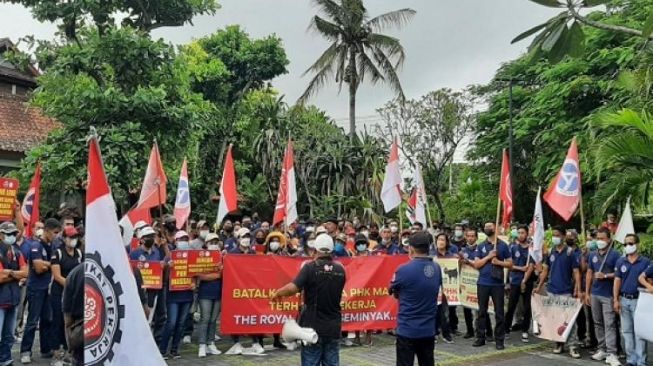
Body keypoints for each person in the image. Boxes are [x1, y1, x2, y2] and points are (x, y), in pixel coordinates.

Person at [271, 234, 346, 366]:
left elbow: (293, 288)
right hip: (333, 327)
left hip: (312, 329)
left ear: (315, 250)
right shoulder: (341, 270)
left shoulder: (310, 268)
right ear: (332, 250)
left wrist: (278, 293)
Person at [390, 231, 442, 366]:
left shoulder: (403, 270)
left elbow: (392, 290)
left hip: (407, 329)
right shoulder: (436, 268)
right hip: (428, 329)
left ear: (411, 248)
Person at [535, 226, 582, 358]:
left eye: (557, 235)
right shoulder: (550, 252)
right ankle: (558, 343)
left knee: (569, 320)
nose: (555, 238)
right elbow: (545, 270)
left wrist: (577, 288)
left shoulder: (570, 253)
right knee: (555, 319)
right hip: (552, 290)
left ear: (563, 236)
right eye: (553, 235)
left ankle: (573, 346)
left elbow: (576, 272)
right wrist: (539, 286)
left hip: (566, 291)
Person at [21, 218, 61, 364]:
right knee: (32, 320)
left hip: (47, 288)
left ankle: (45, 349)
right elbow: (38, 268)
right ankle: (25, 351)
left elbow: (56, 264)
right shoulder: (36, 246)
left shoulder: (53, 246)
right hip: (36, 288)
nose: (56, 235)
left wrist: (47, 265)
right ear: (47, 231)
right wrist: (51, 265)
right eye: (55, 232)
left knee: (47, 320)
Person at [611, 233, 650, 366]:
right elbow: (617, 281)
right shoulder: (621, 261)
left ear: (637, 245)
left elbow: (649, 279)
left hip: (639, 301)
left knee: (639, 332)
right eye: (625, 244)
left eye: (631, 243)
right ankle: (631, 360)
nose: (628, 246)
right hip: (624, 300)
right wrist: (615, 299)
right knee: (627, 331)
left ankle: (641, 362)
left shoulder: (645, 262)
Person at [472, 222, 511, 350]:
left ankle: (499, 340)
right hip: (483, 283)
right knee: (481, 312)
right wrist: (488, 257)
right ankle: (480, 337)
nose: (487, 228)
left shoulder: (503, 246)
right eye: (486, 226)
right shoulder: (481, 246)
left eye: (490, 226)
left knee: (499, 312)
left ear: (496, 228)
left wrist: (499, 262)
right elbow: (477, 264)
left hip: (497, 284)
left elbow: (510, 264)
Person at [585, 228, 621, 366]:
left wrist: (606, 275)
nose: (599, 241)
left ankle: (612, 353)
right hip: (595, 293)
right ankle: (602, 349)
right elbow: (589, 272)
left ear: (609, 239)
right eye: (598, 238)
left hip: (608, 295)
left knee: (610, 324)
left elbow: (618, 275)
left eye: (602, 238)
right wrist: (587, 292)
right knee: (598, 323)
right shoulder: (592, 254)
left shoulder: (615, 255)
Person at [49, 226, 83, 363]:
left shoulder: (79, 254)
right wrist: (72, 286)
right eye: (70, 237)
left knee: (73, 323)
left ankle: (70, 350)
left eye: (75, 237)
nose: (73, 240)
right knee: (58, 321)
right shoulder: (57, 253)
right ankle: (56, 351)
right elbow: (56, 276)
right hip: (60, 292)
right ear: (64, 238)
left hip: (74, 294)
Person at [159, 231, 194, 359]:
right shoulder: (169, 257)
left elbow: (196, 272)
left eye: (185, 239)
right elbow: (164, 278)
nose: (183, 241)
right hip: (173, 295)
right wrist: (168, 268)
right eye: (181, 239)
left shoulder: (192, 256)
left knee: (181, 324)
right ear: (176, 241)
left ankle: (174, 350)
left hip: (187, 294)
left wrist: (195, 284)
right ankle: (162, 350)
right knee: (171, 323)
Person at [0, 222, 28, 366]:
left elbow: (26, 272)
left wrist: (9, 272)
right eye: (9, 234)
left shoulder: (17, 252)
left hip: (13, 299)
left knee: (9, 335)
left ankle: (5, 359)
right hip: (1, 301)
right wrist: (17, 275)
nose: (12, 236)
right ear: (1, 235)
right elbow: (0, 277)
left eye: (14, 234)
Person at [504, 225, 534, 343]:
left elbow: (531, 266)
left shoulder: (531, 249)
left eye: (523, 233)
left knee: (527, 307)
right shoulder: (512, 248)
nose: (520, 235)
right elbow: (509, 265)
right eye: (519, 233)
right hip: (515, 281)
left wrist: (524, 281)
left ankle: (525, 330)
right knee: (511, 306)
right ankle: (506, 329)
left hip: (527, 281)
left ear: (527, 234)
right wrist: (520, 268)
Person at [196, 233, 223, 358]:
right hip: (205, 292)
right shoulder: (200, 257)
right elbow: (200, 276)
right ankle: (202, 345)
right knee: (205, 318)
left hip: (218, 291)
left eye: (216, 242)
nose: (214, 245)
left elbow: (223, 274)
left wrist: (217, 274)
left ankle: (210, 343)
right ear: (206, 244)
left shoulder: (222, 257)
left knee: (213, 319)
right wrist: (216, 275)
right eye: (211, 242)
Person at [433, 233, 455, 344]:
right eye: (439, 239)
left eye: (443, 239)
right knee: (436, 312)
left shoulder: (451, 255)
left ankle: (446, 334)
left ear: (446, 242)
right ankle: (435, 333)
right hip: (436, 288)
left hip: (448, 288)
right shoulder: (432, 256)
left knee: (446, 312)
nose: (441, 242)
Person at [62, 262, 83, 366]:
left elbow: (67, 317)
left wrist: (70, 337)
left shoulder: (74, 273)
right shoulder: (117, 272)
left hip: (80, 333)